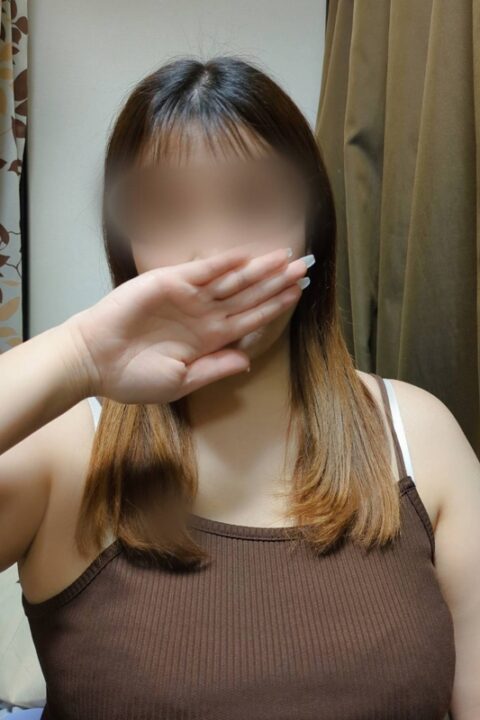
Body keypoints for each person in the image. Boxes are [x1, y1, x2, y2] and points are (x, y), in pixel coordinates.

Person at [0, 55, 479, 720]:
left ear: (311, 226)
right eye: (167, 211)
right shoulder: (65, 451)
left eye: (253, 204)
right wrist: (78, 353)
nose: (213, 251)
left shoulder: (420, 436)